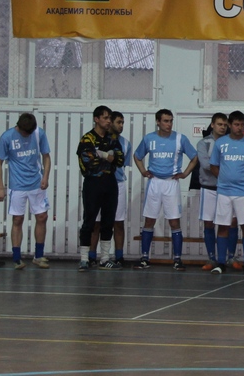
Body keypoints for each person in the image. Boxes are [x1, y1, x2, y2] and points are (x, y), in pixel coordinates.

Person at [133, 108, 199, 271]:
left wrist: (185, 173)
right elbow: (137, 155)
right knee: (149, 220)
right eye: (165, 121)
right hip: (154, 182)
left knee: (174, 221)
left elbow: (194, 157)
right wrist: (143, 171)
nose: (169, 124)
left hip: (171, 183)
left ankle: (177, 259)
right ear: (158, 122)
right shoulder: (149, 138)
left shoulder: (180, 139)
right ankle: (144, 258)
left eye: (170, 121)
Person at [0, 112, 52, 269]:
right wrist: (0, 187)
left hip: (36, 183)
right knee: (18, 219)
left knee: (42, 217)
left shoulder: (39, 133)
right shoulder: (7, 137)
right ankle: (17, 258)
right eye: (26, 133)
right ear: (18, 127)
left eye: (30, 132)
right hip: (17, 185)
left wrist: (46, 176)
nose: (28, 135)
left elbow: (46, 156)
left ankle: (38, 255)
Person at [211, 110, 244, 274]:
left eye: (242, 124)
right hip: (224, 192)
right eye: (236, 124)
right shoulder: (220, 143)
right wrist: (224, 179)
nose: (239, 128)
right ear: (229, 125)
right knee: (223, 226)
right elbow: (213, 166)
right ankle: (221, 262)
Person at [75, 105, 124, 272]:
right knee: (89, 221)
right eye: (105, 118)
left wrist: (101, 154)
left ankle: (104, 258)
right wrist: (108, 156)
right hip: (93, 183)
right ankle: (84, 259)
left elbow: (119, 160)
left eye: (110, 118)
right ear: (96, 119)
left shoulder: (112, 139)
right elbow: (89, 163)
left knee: (108, 222)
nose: (108, 121)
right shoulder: (87, 139)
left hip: (110, 183)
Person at [190, 113, 239, 269]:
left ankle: (231, 257)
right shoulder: (203, 143)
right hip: (209, 188)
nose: (222, 127)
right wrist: (227, 169)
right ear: (212, 125)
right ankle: (211, 258)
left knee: (232, 222)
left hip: (228, 189)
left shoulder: (232, 142)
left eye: (225, 125)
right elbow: (206, 165)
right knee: (209, 223)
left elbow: (235, 164)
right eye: (219, 124)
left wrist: (226, 169)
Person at [87, 110, 129, 269]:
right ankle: (91, 256)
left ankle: (119, 256)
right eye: (118, 122)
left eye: (122, 123)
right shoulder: (95, 140)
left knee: (118, 222)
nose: (121, 125)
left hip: (118, 184)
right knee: (96, 223)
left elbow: (122, 164)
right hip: (99, 182)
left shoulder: (125, 143)